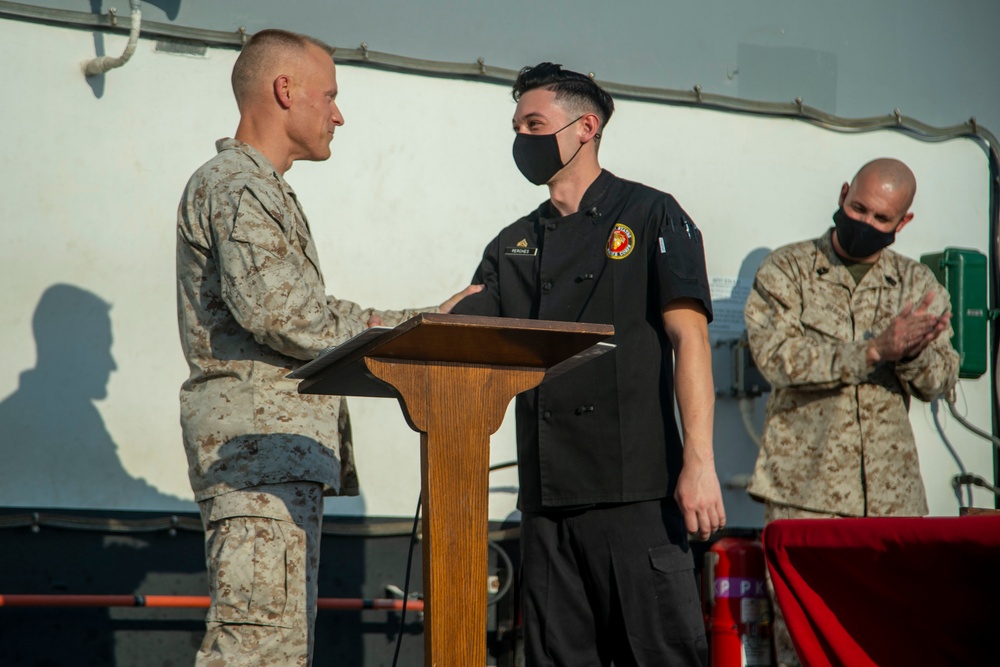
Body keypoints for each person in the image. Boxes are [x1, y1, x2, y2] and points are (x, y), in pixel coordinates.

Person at [175, 29, 478, 666]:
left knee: (277, 649)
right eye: (331, 95)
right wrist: (422, 325)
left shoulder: (263, 187)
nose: (338, 113)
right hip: (258, 458)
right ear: (285, 91)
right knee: (256, 651)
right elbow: (282, 312)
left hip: (276, 459)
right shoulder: (237, 185)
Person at [452, 62, 725, 666]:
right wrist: (406, 327)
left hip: (638, 496)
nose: (522, 138)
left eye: (534, 122)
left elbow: (691, 342)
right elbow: (464, 330)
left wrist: (699, 463)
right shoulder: (512, 244)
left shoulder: (653, 215)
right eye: (517, 125)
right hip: (548, 506)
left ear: (585, 127)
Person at [743, 157, 959, 667]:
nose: (865, 223)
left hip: (892, 500)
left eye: (881, 219)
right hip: (804, 495)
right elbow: (777, 359)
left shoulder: (915, 284)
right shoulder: (787, 269)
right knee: (805, 643)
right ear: (843, 194)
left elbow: (940, 382)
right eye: (858, 207)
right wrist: (873, 350)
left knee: (889, 639)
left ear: (902, 224)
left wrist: (912, 351)